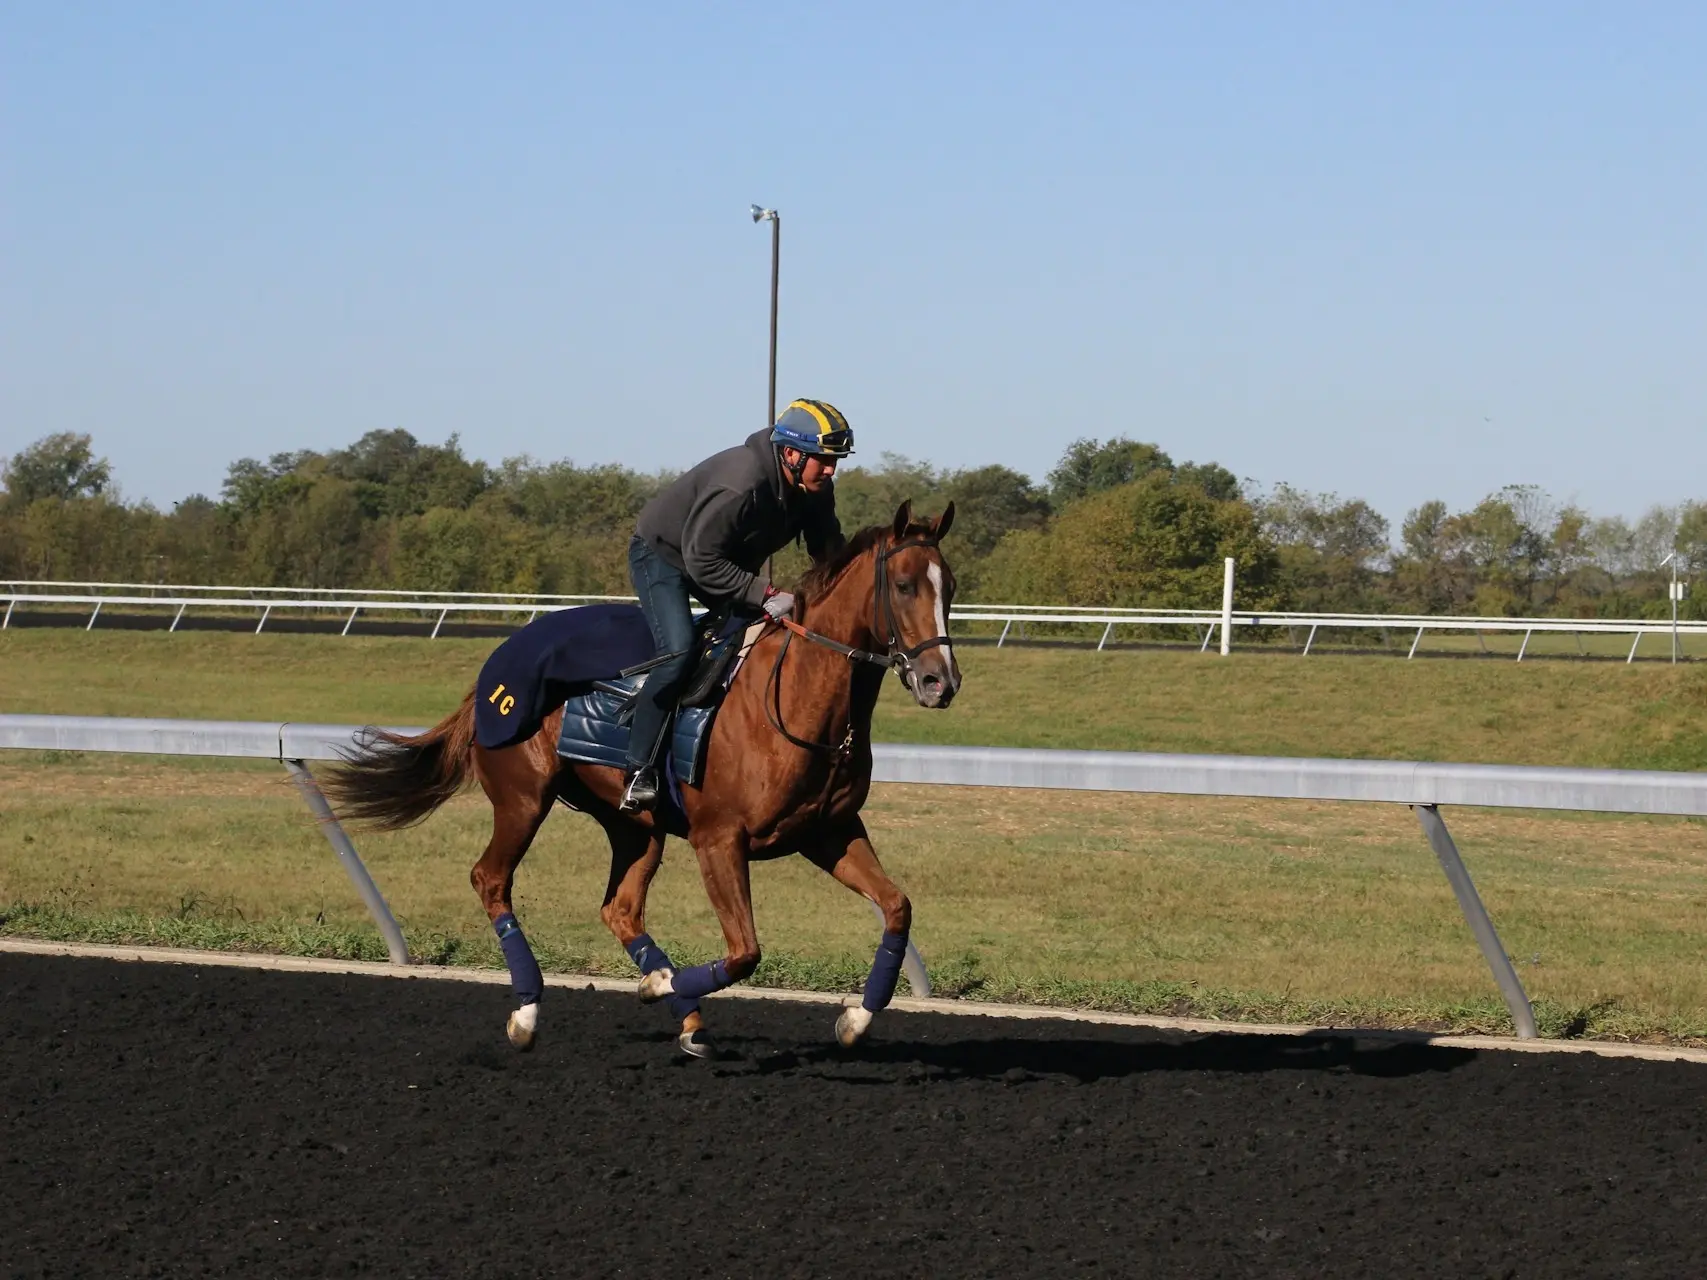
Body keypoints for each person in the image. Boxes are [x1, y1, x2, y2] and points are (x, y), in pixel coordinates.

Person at [620, 399, 853, 810]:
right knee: (677, 651)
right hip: (665, 557)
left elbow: (827, 550)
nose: (831, 469)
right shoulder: (740, 484)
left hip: (718, 560)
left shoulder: (815, 487)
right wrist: (764, 593)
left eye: (835, 460)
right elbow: (701, 561)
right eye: (824, 460)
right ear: (792, 454)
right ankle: (640, 768)